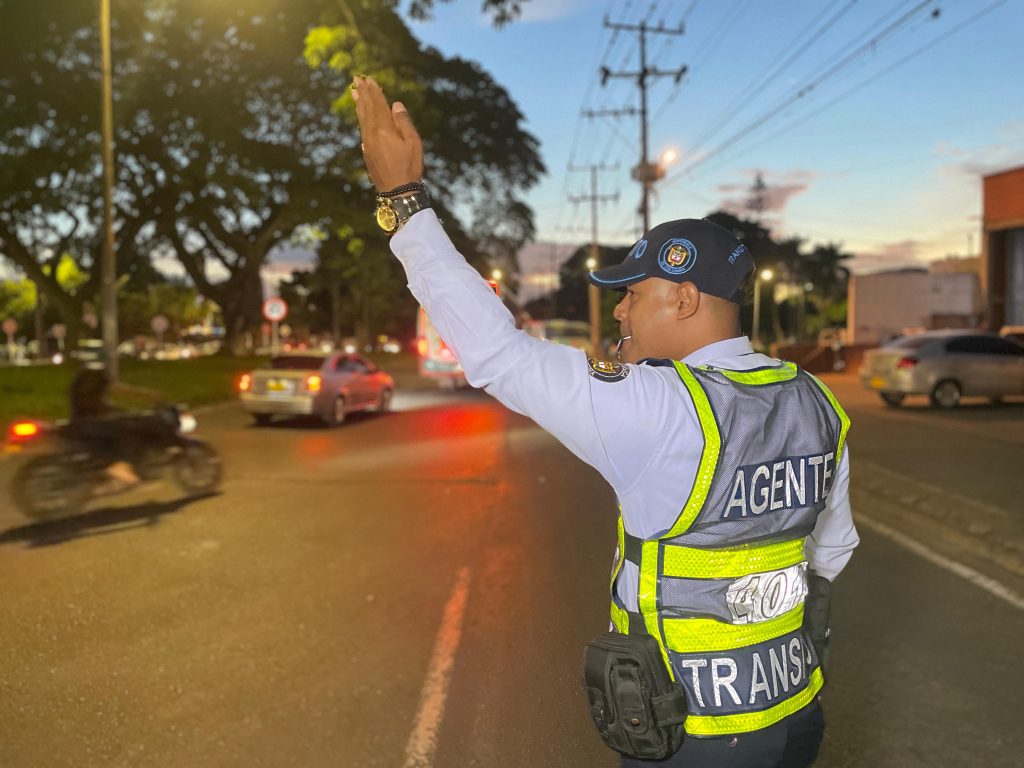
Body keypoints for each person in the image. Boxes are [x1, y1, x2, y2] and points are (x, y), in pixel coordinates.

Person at [351, 76, 858, 768]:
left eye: (631, 295)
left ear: (683, 299)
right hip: (795, 715)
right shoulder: (816, 401)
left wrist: (405, 205)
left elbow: (500, 354)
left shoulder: (663, 409)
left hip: (689, 737)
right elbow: (828, 554)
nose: (619, 312)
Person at [68, 363, 169, 488]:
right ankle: (120, 466)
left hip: (83, 424)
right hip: (89, 426)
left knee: (124, 424)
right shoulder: (89, 393)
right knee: (129, 431)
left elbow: (112, 397)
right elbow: (106, 402)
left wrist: (121, 409)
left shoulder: (81, 390)